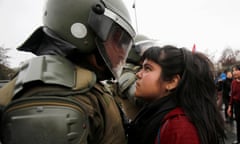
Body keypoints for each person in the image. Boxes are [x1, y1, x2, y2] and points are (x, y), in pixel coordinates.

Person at [0, 0, 135, 143]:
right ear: (83, 29)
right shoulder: (53, 94)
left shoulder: (83, 82)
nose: (121, 52)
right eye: (116, 39)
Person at [127, 45, 226, 144]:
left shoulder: (179, 128)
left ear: (172, 82)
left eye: (148, 68)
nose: (138, 74)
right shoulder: (155, 113)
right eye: (141, 68)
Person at [227, 65, 240, 144]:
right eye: (233, 70)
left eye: (235, 70)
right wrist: (229, 106)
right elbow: (231, 95)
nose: (233, 72)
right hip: (236, 105)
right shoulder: (233, 83)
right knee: (238, 122)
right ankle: (239, 140)